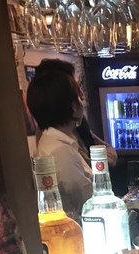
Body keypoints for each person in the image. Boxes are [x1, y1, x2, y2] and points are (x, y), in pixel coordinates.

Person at [26, 70, 92, 223]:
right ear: (73, 107)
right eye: (79, 97)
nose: (82, 101)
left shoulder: (51, 141)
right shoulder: (61, 151)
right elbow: (86, 200)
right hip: (76, 229)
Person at [32, 59, 119, 168]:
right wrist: (101, 161)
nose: (82, 95)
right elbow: (84, 166)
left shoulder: (78, 123)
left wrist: (100, 160)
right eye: (76, 89)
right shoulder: (52, 136)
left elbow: (108, 150)